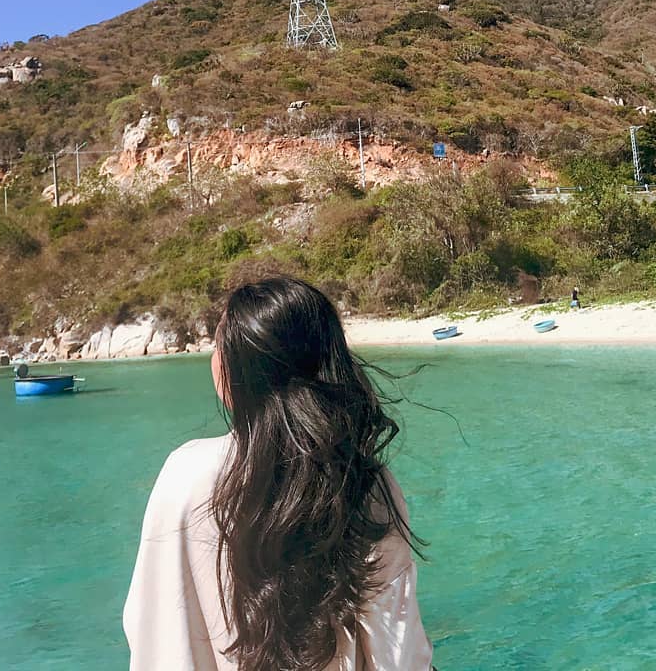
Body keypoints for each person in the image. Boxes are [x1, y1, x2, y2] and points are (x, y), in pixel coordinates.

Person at [123, 276, 434, 671]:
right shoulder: (363, 483)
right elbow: (399, 651)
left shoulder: (185, 476)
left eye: (218, 347)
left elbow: (157, 634)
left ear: (234, 373)